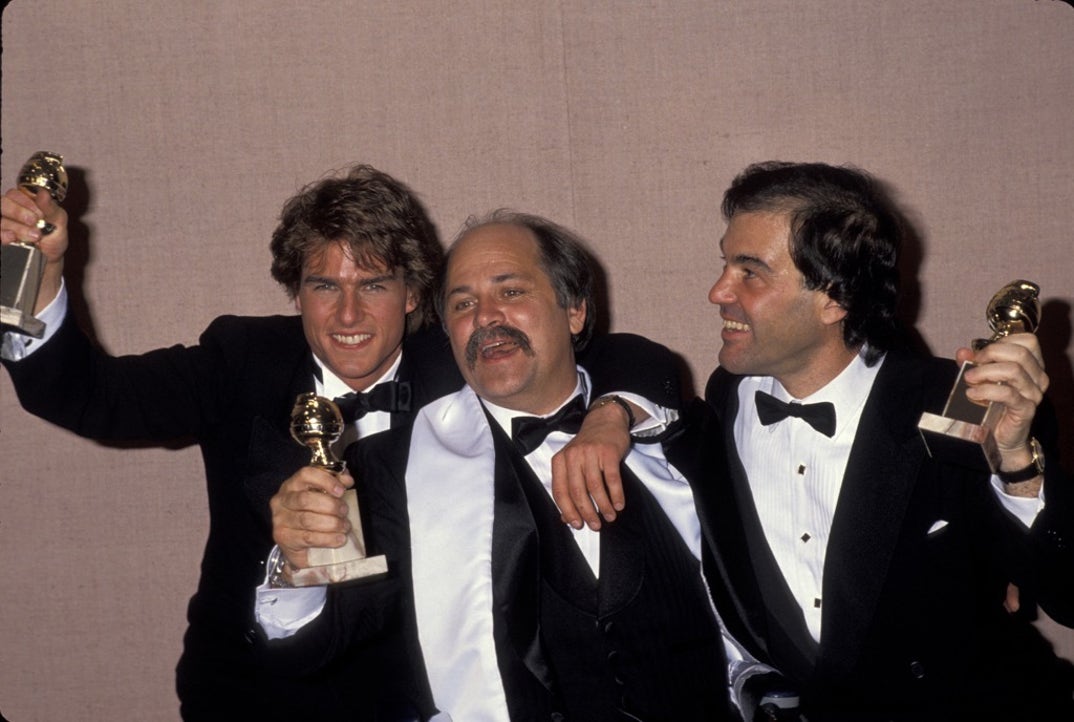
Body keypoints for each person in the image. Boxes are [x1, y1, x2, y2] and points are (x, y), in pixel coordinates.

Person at [0, 169, 679, 720]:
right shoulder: (241, 359)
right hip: (250, 695)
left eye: (374, 285)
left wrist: (611, 416)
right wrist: (38, 273)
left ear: (417, 295)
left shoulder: (464, 363)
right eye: (325, 286)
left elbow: (616, 353)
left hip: (410, 701)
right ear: (297, 291)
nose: (348, 315)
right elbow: (90, 397)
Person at [258, 211, 750, 720]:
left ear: (575, 310)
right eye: (463, 303)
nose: (486, 317)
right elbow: (312, 650)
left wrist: (614, 414)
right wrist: (298, 561)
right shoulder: (388, 469)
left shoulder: (672, 427)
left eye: (510, 292)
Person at [689, 160, 1074, 720]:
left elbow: (1066, 595)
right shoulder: (726, 395)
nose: (717, 291)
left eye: (750, 272)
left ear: (835, 299)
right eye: (725, 263)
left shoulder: (963, 405)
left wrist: (1017, 462)